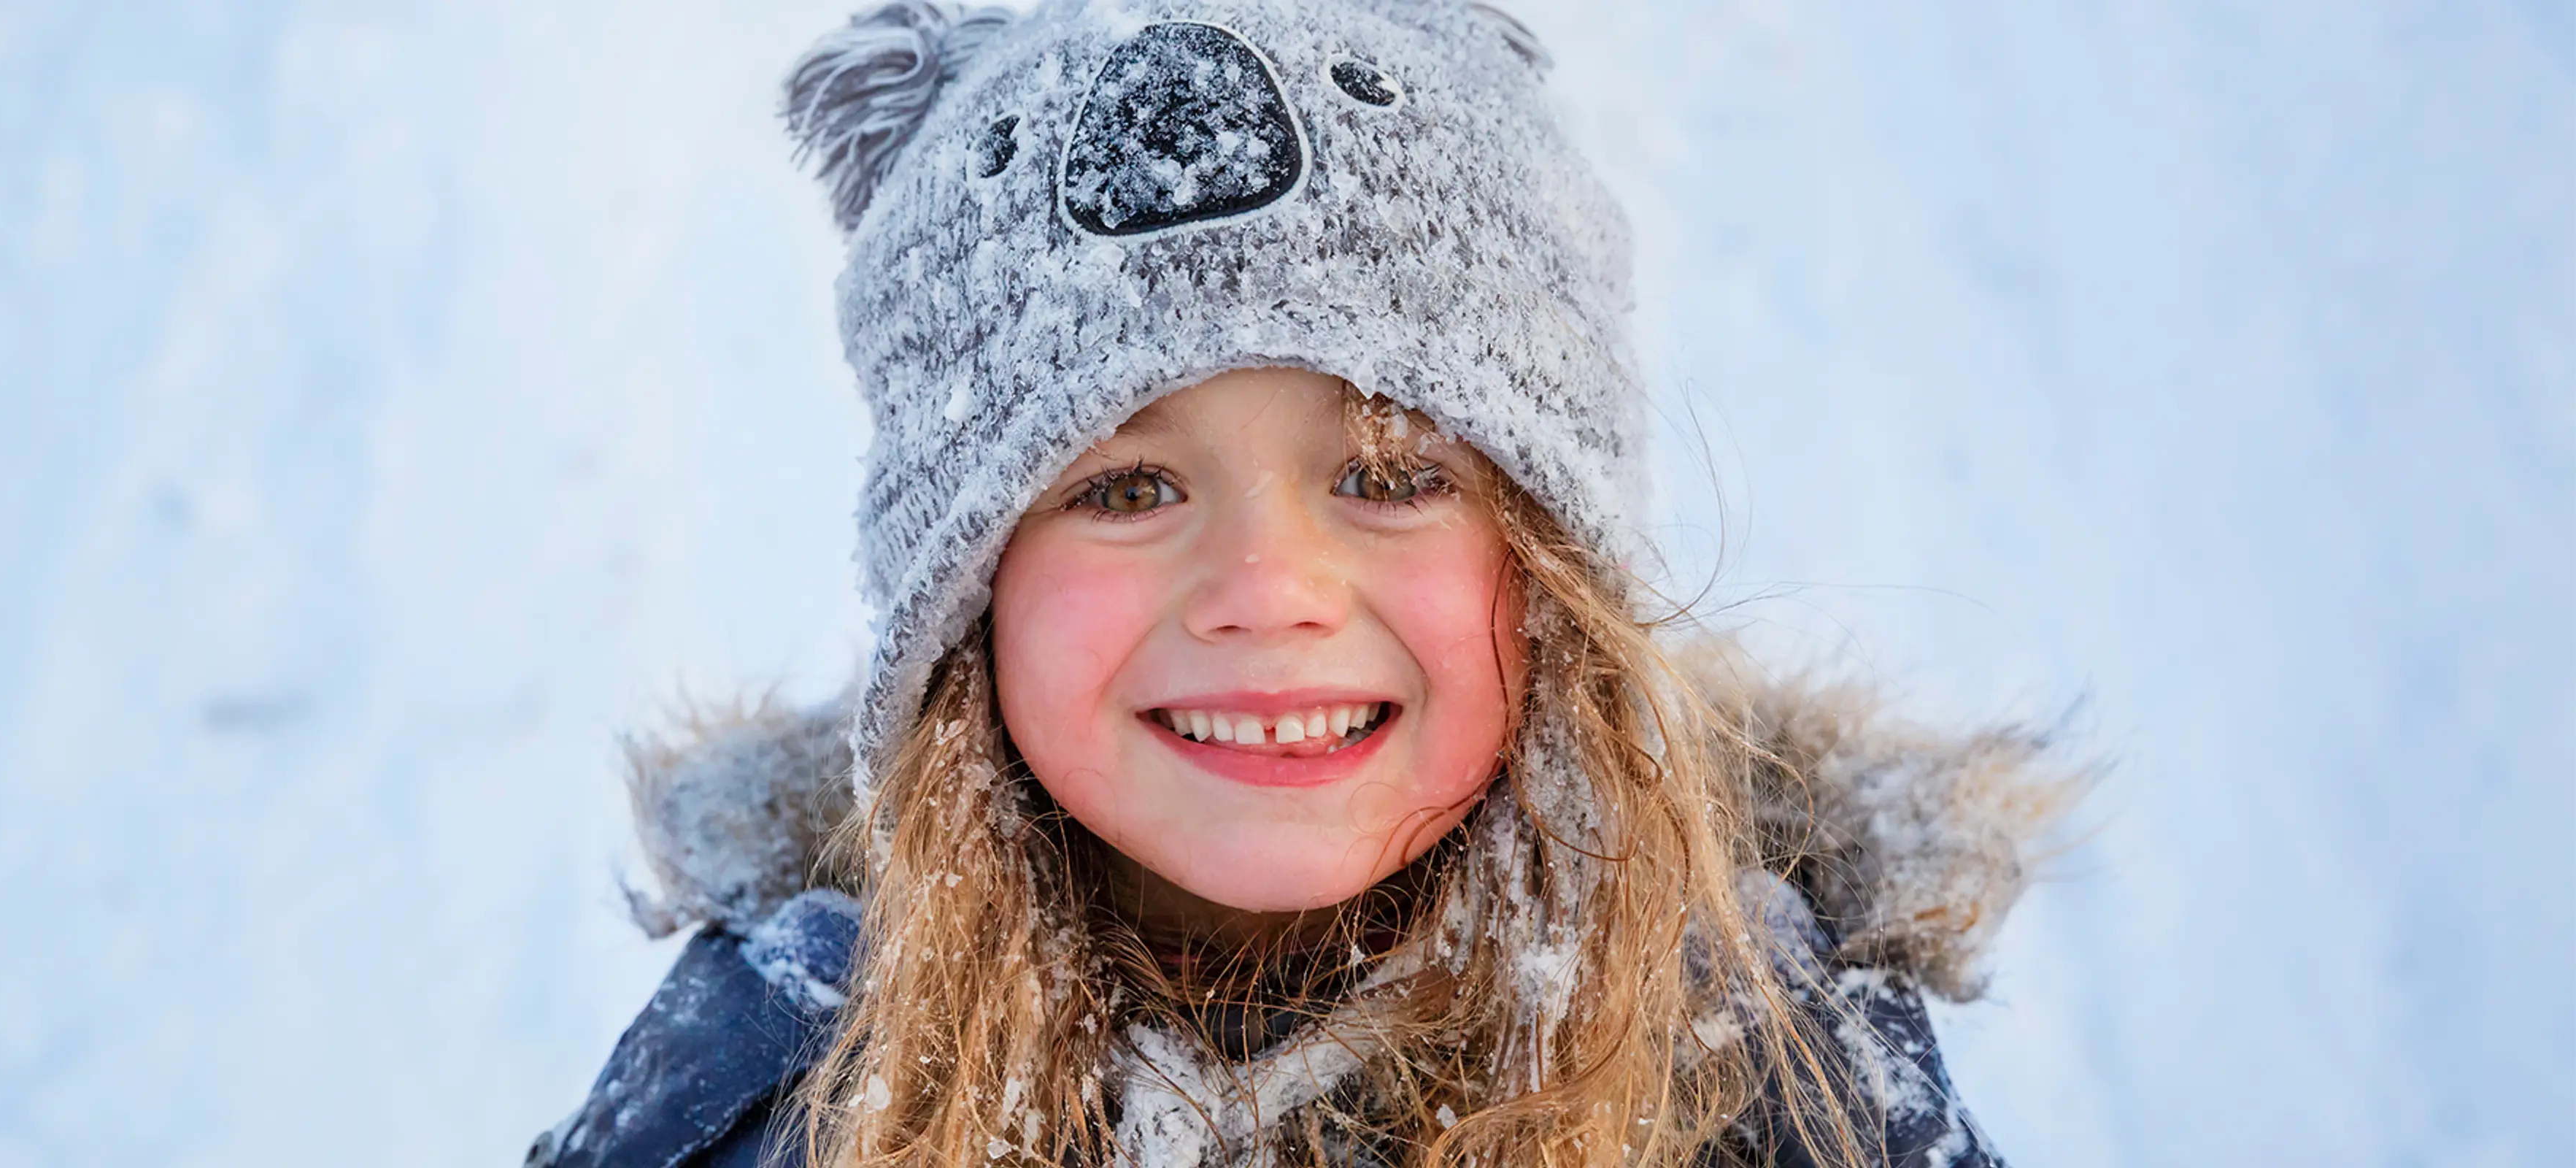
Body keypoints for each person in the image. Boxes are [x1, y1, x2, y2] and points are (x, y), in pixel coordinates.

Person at [530, 2, 2076, 1165]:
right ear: (962, 594)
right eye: (1126, 486)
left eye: (1394, 475)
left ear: (1556, 573)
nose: (1269, 586)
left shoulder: (1779, 1080)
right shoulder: (767, 1082)